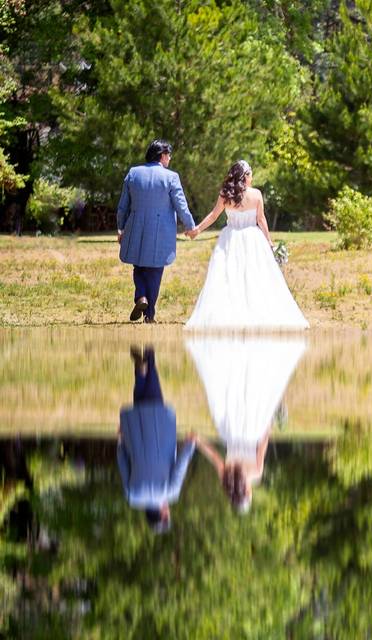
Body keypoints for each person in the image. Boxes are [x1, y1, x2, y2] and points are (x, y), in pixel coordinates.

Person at [184, 160, 308, 330]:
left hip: (230, 238)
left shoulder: (226, 193)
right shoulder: (256, 194)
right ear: (245, 176)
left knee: (229, 276)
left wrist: (197, 230)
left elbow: (213, 216)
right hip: (253, 239)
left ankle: (228, 314)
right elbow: (261, 219)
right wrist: (269, 241)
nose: (252, 178)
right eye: (251, 174)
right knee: (254, 275)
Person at [187, 336, 306, 512]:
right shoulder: (226, 475)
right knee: (236, 394)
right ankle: (239, 358)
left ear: (247, 493)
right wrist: (197, 440)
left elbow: (263, 444)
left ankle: (254, 359)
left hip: (252, 429)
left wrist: (268, 422)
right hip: (231, 429)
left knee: (253, 395)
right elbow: (213, 455)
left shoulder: (256, 473)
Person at [117, 345, 196, 533]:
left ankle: (150, 354)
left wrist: (190, 445)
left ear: (163, 514)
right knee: (140, 402)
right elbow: (122, 464)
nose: (169, 510)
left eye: (168, 514)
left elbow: (180, 467)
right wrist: (120, 440)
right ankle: (141, 371)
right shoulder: (132, 496)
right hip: (135, 437)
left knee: (154, 395)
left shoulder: (170, 493)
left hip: (160, 437)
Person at [117, 139, 197, 324]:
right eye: (169, 155)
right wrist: (190, 226)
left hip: (135, 227)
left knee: (138, 266)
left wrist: (121, 228)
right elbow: (181, 205)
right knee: (155, 271)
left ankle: (141, 297)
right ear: (162, 156)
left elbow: (123, 206)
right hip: (161, 231)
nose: (170, 158)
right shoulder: (171, 177)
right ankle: (149, 314)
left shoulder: (133, 173)